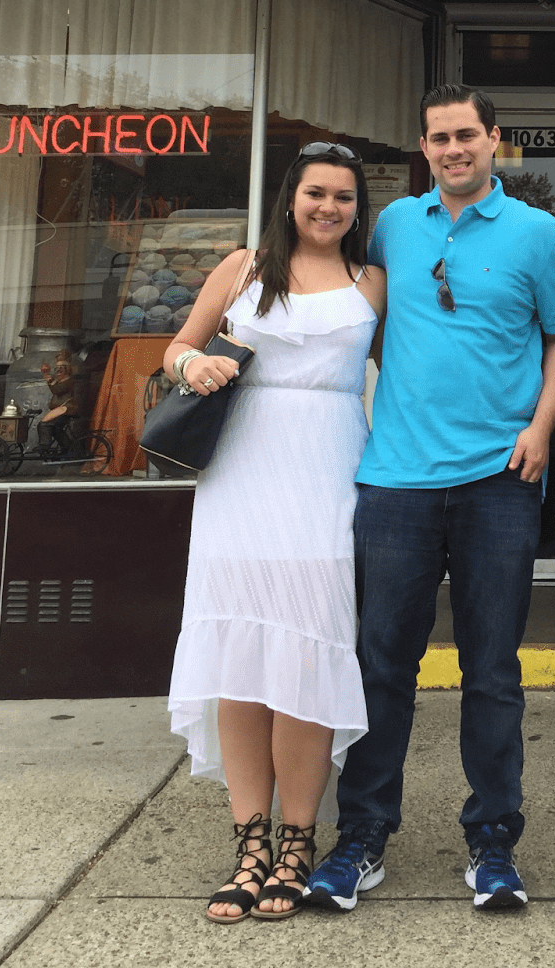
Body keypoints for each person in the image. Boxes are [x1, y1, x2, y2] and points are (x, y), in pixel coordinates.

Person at [304, 84, 555, 914]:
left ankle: (493, 843)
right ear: (422, 146)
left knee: (491, 670)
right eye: (439, 137)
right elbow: (348, 309)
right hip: (396, 479)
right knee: (381, 665)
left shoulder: (540, 234)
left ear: (494, 139)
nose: (454, 149)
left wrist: (540, 428)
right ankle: (361, 837)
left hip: (500, 479)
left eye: (467, 134)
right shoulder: (392, 224)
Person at [165, 142, 383, 923]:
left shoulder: (371, 282)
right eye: (316, 192)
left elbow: (409, 375)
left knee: (309, 649)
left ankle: (299, 841)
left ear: (358, 209)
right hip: (240, 477)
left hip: (329, 474)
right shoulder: (242, 270)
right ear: (291, 196)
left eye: (344, 197)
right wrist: (191, 368)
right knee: (240, 656)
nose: (329, 207)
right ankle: (250, 843)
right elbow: (177, 347)